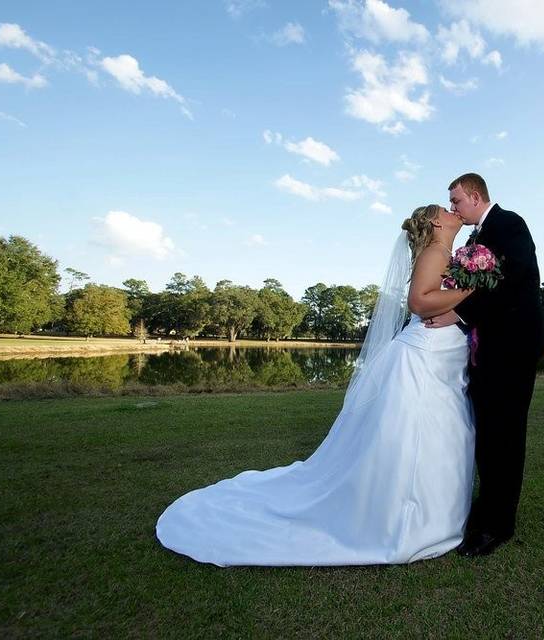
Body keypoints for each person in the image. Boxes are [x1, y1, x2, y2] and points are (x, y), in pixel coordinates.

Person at [156, 204, 476, 566]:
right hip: (425, 355)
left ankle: (429, 511)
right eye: (446, 209)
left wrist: (463, 299)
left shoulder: (450, 254)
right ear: (435, 222)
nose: (453, 211)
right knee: (415, 433)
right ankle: (405, 519)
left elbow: (434, 302)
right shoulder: (435, 251)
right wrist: (470, 291)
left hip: (439, 354)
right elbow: (420, 302)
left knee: (436, 431)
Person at [423, 173, 544, 557]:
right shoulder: (476, 238)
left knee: (506, 436)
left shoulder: (510, 224)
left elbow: (510, 282)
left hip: (512, 350)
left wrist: (458, 314)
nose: (453, 208)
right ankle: (487, 508)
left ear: (475, 196)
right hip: (485, 351)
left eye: (456, 201)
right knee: (488, 434)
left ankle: (499, 525)